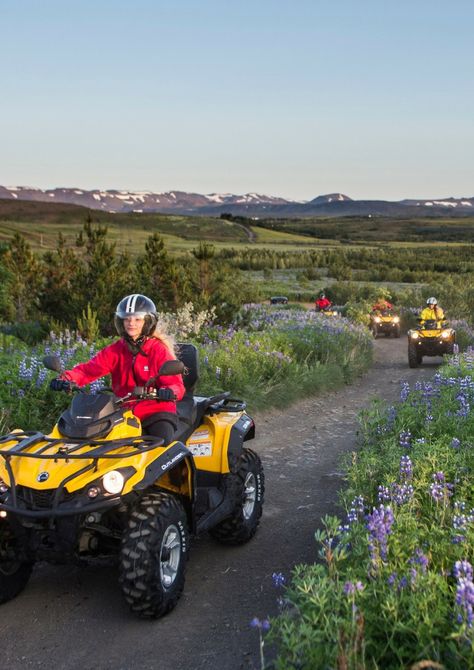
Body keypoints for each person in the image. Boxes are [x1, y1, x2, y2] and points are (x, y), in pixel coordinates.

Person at [50, 294, 185, 445]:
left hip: (155, 411)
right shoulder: (116, 350)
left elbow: (176, 384)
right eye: (127, 319)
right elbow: (87, 371)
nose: (131, 323)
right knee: (94, 443)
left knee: (162, 444)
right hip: (123, 411)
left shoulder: (158, 350)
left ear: (147, 322)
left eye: (137, 319)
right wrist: (65, 379)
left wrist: (168, 391)